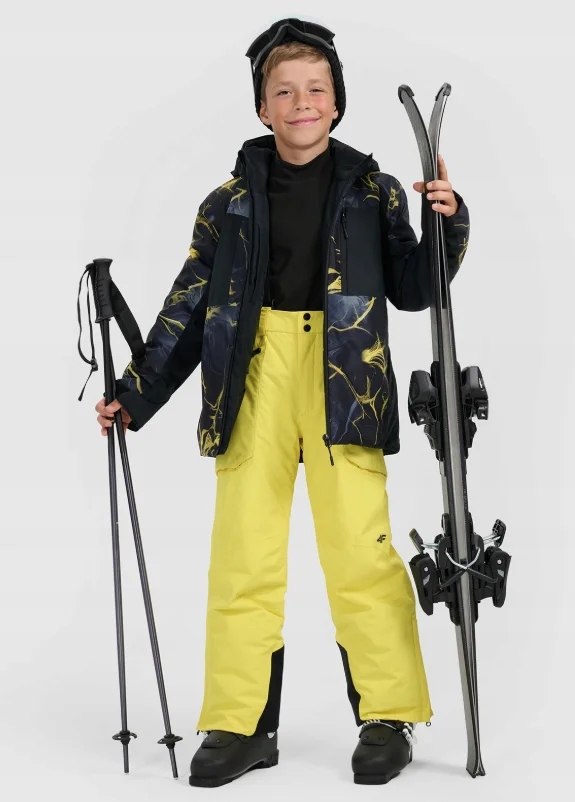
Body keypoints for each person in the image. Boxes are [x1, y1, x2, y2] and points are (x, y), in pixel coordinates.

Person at [94, 18, 470, 788]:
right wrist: (135, 394)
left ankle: (388, 715)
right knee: (244, 553)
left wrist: (449, 222)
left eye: (316, 90)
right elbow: (188, 308)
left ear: (337, 101)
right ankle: (240, 725)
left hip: (346, 378)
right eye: (285, 91)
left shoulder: (373, 192)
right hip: (252, 377)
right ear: (262, 106)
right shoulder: (227, 204)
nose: (302, 103)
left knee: (359, 550)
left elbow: (415, 288)